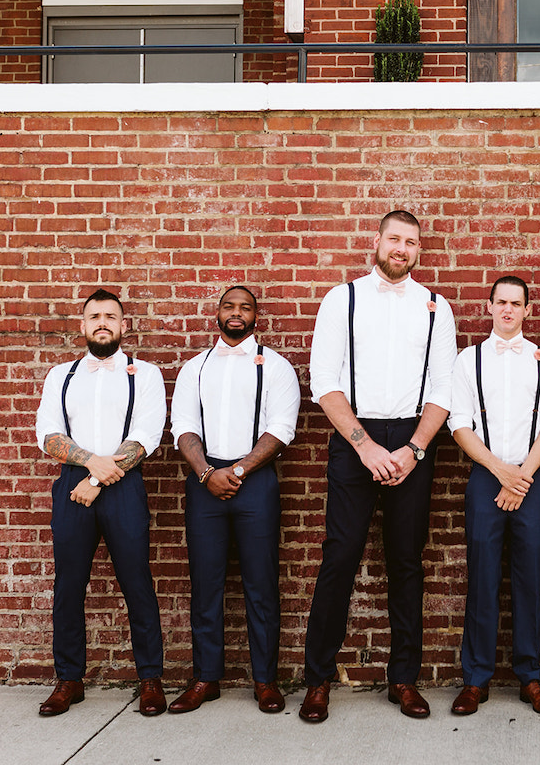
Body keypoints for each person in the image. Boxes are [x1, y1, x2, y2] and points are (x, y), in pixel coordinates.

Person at [299, 210, 457, 723]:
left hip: (412, 439)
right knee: (340, 556)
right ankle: (318, 679)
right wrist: (364, 445)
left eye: (411, 242)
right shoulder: (340, 299)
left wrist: (413, 450)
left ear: (418, 250)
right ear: (377, 241)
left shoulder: (436, 307)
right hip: (355, 437)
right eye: (394, 239)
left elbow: (442, 389)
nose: (402, 249)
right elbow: (323, 378)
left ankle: (404, 679)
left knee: (406, 561)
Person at [34, 288, 167, 717]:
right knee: (68, 588)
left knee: (137, 584)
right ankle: (69, 679)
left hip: (123, 485)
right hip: (74, 486)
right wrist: (91, 467)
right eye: (95, 316)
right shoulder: (62, 376)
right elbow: (49, 436)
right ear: (83, 324)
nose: (103, 322)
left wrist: (99, 475)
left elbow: (146, 437)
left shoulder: (144, 374)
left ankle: (150, 679)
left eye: (112, 315)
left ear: (124, 325)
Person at [168, 286, 300, 714]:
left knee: (261, 584)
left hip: (255, 482)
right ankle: (206, 678)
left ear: (256, 316)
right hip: (204, 480)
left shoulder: (277, 368)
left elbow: (282, 429)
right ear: (218, 313)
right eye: (229, 306)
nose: (237, 313)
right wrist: (207, 473)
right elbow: (183, 426)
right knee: (205, 584)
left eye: (246, 307)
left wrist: (238, 471)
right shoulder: (196, 368)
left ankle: (265, 680)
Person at [447, 276, 540, 717]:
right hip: (485, 479)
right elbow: (459, 424)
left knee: (531, 578)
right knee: (482, 577)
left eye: (517, 303)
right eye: (502, 302)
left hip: (531, 481)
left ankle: (530, 676)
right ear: (489, 307)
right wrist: (500, 473)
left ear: (528, 310)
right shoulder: (467, 360)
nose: (509, 310)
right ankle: (476, 678)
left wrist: (522, 477)